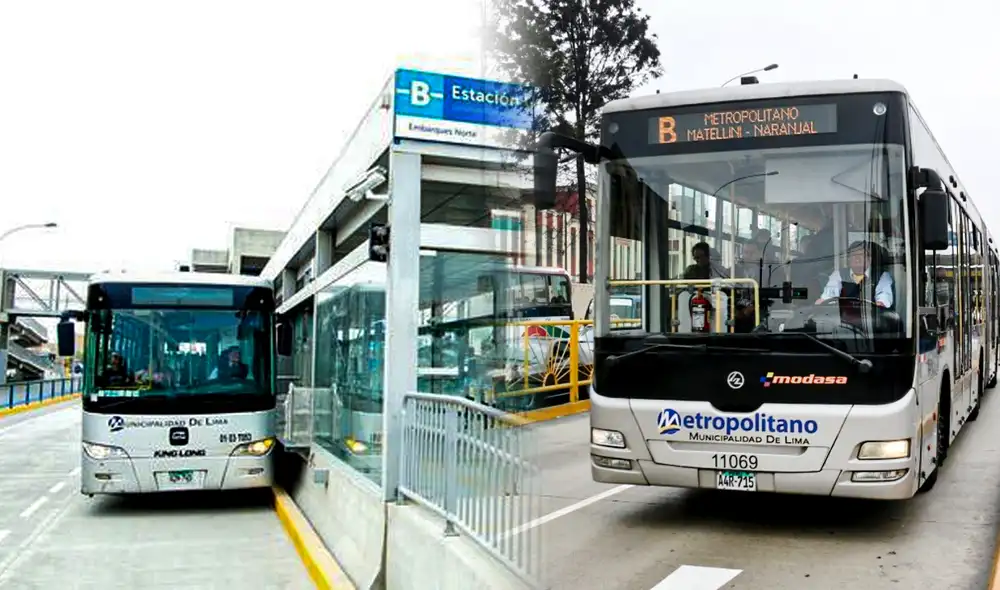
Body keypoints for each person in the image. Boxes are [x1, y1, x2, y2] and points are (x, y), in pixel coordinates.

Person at [816, 240, 894, 308]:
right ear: (849, 259)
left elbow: (884, 297)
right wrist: (822, 301)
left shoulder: (882, 276)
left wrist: (881, 303)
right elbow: (829, 294)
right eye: (854, 255)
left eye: (861, 255)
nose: (857, 258)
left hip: (869, 320)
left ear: (869, 259)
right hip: (843, 319)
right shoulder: (839, 274)